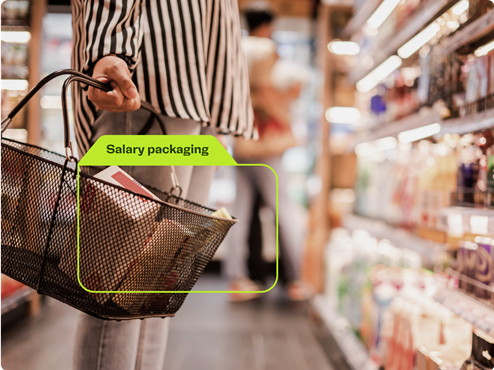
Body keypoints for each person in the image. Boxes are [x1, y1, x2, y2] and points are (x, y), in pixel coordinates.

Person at [69, 1, 253, 369]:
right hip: (147, 76)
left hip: (205, 86)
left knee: (158, 290)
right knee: (117, 291)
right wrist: (108, 47)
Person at [224, 3, 311, 302]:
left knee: (241, 211)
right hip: (265, 142)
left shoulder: (235, 47)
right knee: (284, 210)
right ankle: (297, 278)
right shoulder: (266, 49)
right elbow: (263, 92)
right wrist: (289, 122)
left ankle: (236, 277)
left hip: (239, 140)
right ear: (268, 25)